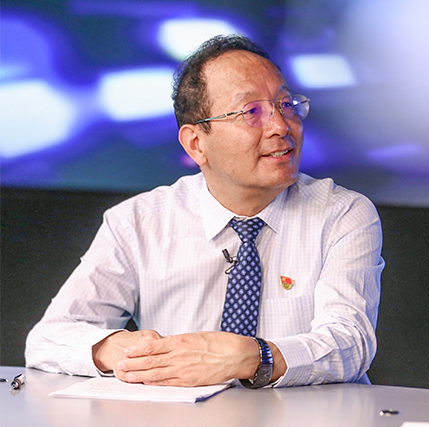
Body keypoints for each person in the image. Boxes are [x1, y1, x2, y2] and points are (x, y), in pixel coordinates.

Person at [25, 35, 384, 388]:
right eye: (251, 112)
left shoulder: (342, 214)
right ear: (196, 144)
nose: (280, 126)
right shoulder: (138, 222)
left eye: (286, 105)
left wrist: (249, 357)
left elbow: (350, 343)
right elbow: (47, 339)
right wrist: (116, 348)